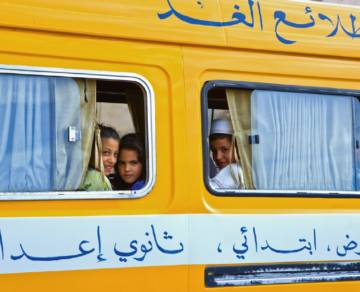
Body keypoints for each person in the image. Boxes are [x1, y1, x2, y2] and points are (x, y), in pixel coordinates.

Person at [209, 118, 245, 189]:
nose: (218, 157)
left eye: (224, 149)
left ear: (239, 149)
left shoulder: (234, 170)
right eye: (214, 151)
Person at [82, 124, 120, 191]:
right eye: (106, 152)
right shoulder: (101, 181)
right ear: (90, 151)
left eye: (115, 154)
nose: (112, 160)